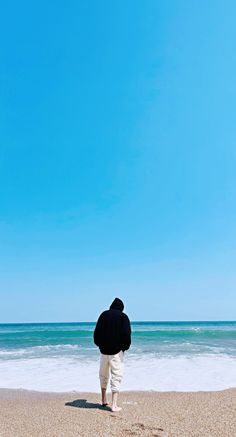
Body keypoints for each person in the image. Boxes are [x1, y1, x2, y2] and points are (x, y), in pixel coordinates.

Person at [93, 297, 131, 412]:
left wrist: (99, 345)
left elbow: (96, 333)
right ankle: (114, 405)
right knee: (116, 375)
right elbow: (126, 334)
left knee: (103, 374)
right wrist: (124, 348)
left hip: (103, 351)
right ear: (121, 308)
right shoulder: (123, 317)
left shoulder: (103, 315)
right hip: (116, 352)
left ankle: (104, 399)